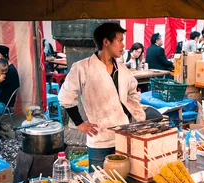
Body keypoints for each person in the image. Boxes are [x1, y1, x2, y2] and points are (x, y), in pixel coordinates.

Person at [58, 22, 146, 169]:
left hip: (123, 136)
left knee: (123, 181)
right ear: (106, 42)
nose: (123, 45)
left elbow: (133, 92)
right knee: (99, 182)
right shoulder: (82, 68)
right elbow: (65, 97)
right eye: (119, 40)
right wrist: (80, 123)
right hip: (99, 139)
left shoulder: (123, 70)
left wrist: (133, 114)